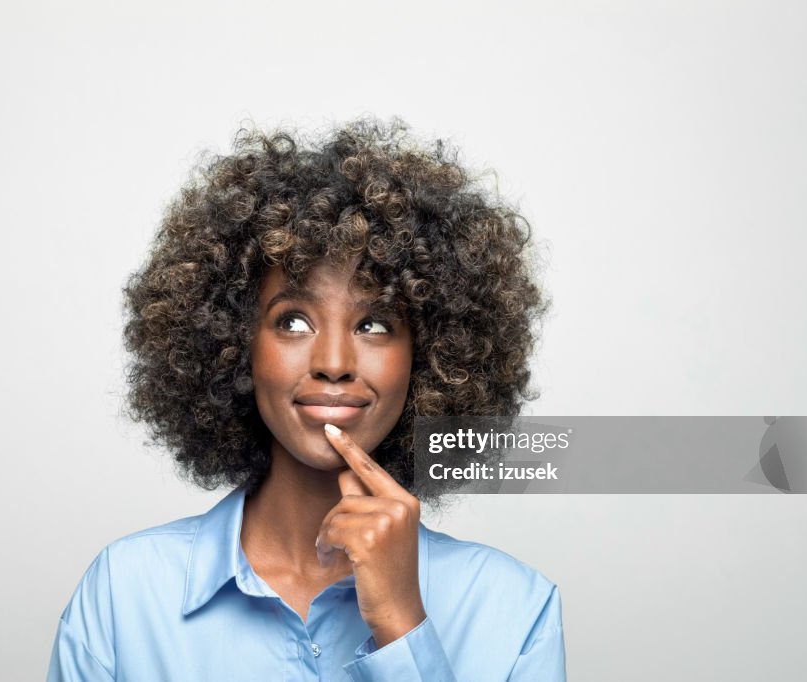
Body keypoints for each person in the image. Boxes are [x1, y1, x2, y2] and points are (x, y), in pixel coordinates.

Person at [46, 118, 566, 681]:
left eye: (375, 323)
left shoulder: (515, 611)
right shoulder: (125, 596)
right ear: (231, 342)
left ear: (433, 353)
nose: (335, 362)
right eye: (293, 321)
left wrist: (400, 622)